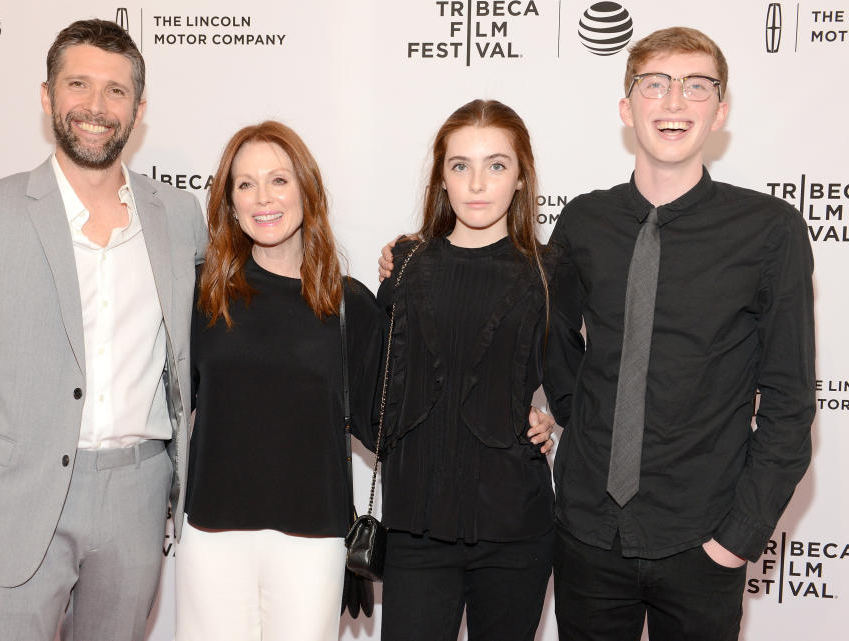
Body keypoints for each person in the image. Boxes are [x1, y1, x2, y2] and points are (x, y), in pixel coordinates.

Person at [0, 19, 206, 640]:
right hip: (15, 503)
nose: (96, 107)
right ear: (48, 97)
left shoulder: (180, 216)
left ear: (138, 109)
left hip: (139, 492)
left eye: (115, 91)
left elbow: (247, 288)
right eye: (78, 85)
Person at [544, 27, 814, 640]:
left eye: (696, 87)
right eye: (655, 85)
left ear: (720, 111)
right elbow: (551, 342)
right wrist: (585, 424)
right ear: (626, 106)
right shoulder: (584, 221)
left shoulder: (770, 231)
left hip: (704, 537)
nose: (673, 103)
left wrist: (737, 539)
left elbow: (791, 403)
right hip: (588, 533)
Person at [174, 121, 384, 641]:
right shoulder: (202, 294)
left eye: (278, 180)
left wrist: (516, 412)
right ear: (230, 202)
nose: (262, 198)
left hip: (313, 540)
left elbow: (392, 421)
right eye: (245, 184)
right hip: (212, 533)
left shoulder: (347, 303)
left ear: (306, 191)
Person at [376, 99, 561, 641]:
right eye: (461, 166)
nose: (478, 183)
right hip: (416, 524)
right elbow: (386, 375)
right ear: (441, 178)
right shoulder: (407, 263)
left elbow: (581, 377)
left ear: (522, 178)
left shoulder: (548, 271)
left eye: (497, 165)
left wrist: (545, 414)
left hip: (515, 528)